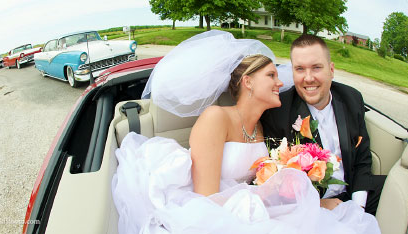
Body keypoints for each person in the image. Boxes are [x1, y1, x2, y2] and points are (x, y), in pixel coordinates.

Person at [112, 30, 380, 234]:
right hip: (213, 212)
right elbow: (205, 199)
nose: (281, 82)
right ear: (248, 82)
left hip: (253, 206)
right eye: (272, 76)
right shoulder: (216, 118)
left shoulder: (265, 127)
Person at [261, 34, 386, 216]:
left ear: (331, 70)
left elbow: (362, 160)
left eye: (316, 67)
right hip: (310, 206)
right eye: (300, 69)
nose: (309, 78)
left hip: (351, 192)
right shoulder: (278, 112)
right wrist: (318, 204)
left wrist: (358, 208)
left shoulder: (352, 98)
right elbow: (277, 184)